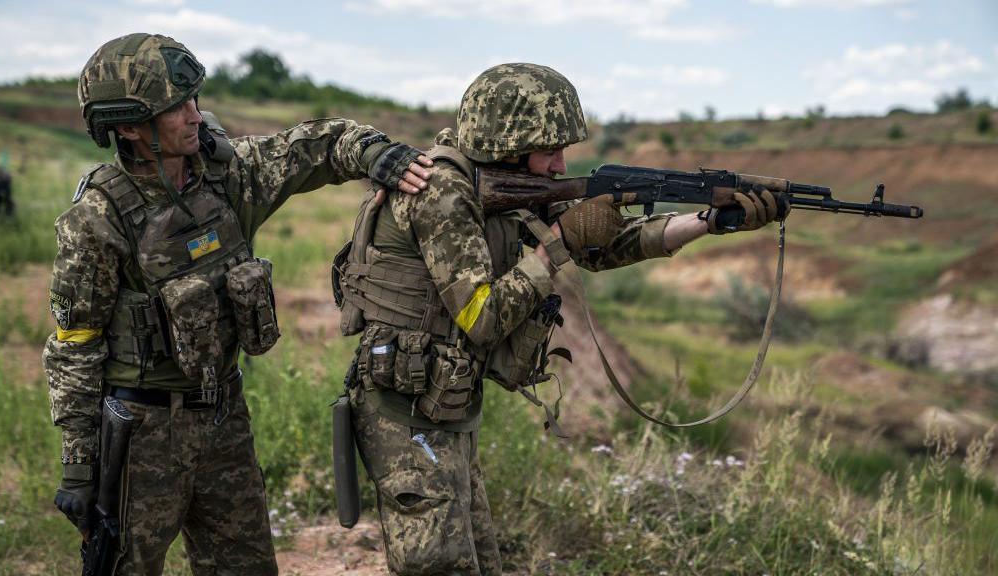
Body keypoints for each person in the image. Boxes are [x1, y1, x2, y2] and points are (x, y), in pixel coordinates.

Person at [333, 63, 788, 575]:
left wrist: (707, 221)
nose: (560, 163)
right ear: (508, 141)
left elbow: (603, 247)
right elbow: (482, 317)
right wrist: (560, 244)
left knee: (477, 563)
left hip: (444, 407)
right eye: (551, 148)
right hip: (403, 412)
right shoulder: (442, 191)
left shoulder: (508, 186)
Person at [43, 32, 432, 575]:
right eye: (176, 107)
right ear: (129, 126)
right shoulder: (98, 218)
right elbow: (73, 347)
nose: (195, 116)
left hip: (224, 415)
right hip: (140, 435)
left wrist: (375, 153)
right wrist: (80, 467)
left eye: (195, 100)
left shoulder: (227, 178)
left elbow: (313, 146)